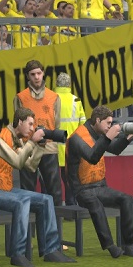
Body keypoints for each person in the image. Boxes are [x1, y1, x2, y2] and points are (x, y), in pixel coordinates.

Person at [0, 108, 74, 267]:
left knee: (46, 199)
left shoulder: (17, 141)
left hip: (4, 188)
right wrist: (32, 142)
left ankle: (51, 250)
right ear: (19, 122)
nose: (32, 128)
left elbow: (30, 166)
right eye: (30, 124)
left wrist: (40, 147)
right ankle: (18, 254)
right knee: (21, 202)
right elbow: (17, 162)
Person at [66, 105, 133, 258]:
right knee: (95, 204)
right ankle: (110, 245)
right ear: (98, 120)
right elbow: (92, 157)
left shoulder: (99, 133)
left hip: (100, 186)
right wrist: (108, 137)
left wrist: (128, 137)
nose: (109, 126)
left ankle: (128, 244)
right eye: (108, 123)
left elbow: (115, 149)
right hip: (81, 190)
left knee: (127, 199)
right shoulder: (76, 138)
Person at [13, 60, 62, 207]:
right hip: (28, 146)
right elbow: (17, 125)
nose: (36, 77)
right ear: (28, 76)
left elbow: (56, 122)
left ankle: (56, 219)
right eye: (33, 74)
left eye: (39, 73)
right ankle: (27, 218)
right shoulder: (20, 97)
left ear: (43, 73)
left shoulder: (54, 97)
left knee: (55, 190)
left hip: (48, 146)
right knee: (28, 189)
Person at [54, 72, 86, 206]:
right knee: (70, 179)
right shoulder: (76, 100)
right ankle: (71, 206)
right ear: (69, 85)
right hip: (72, 146)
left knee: (52, 181)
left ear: (56, 84)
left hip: (54, 146)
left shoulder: (52, 99)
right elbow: (83, 123)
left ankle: (54, 208)